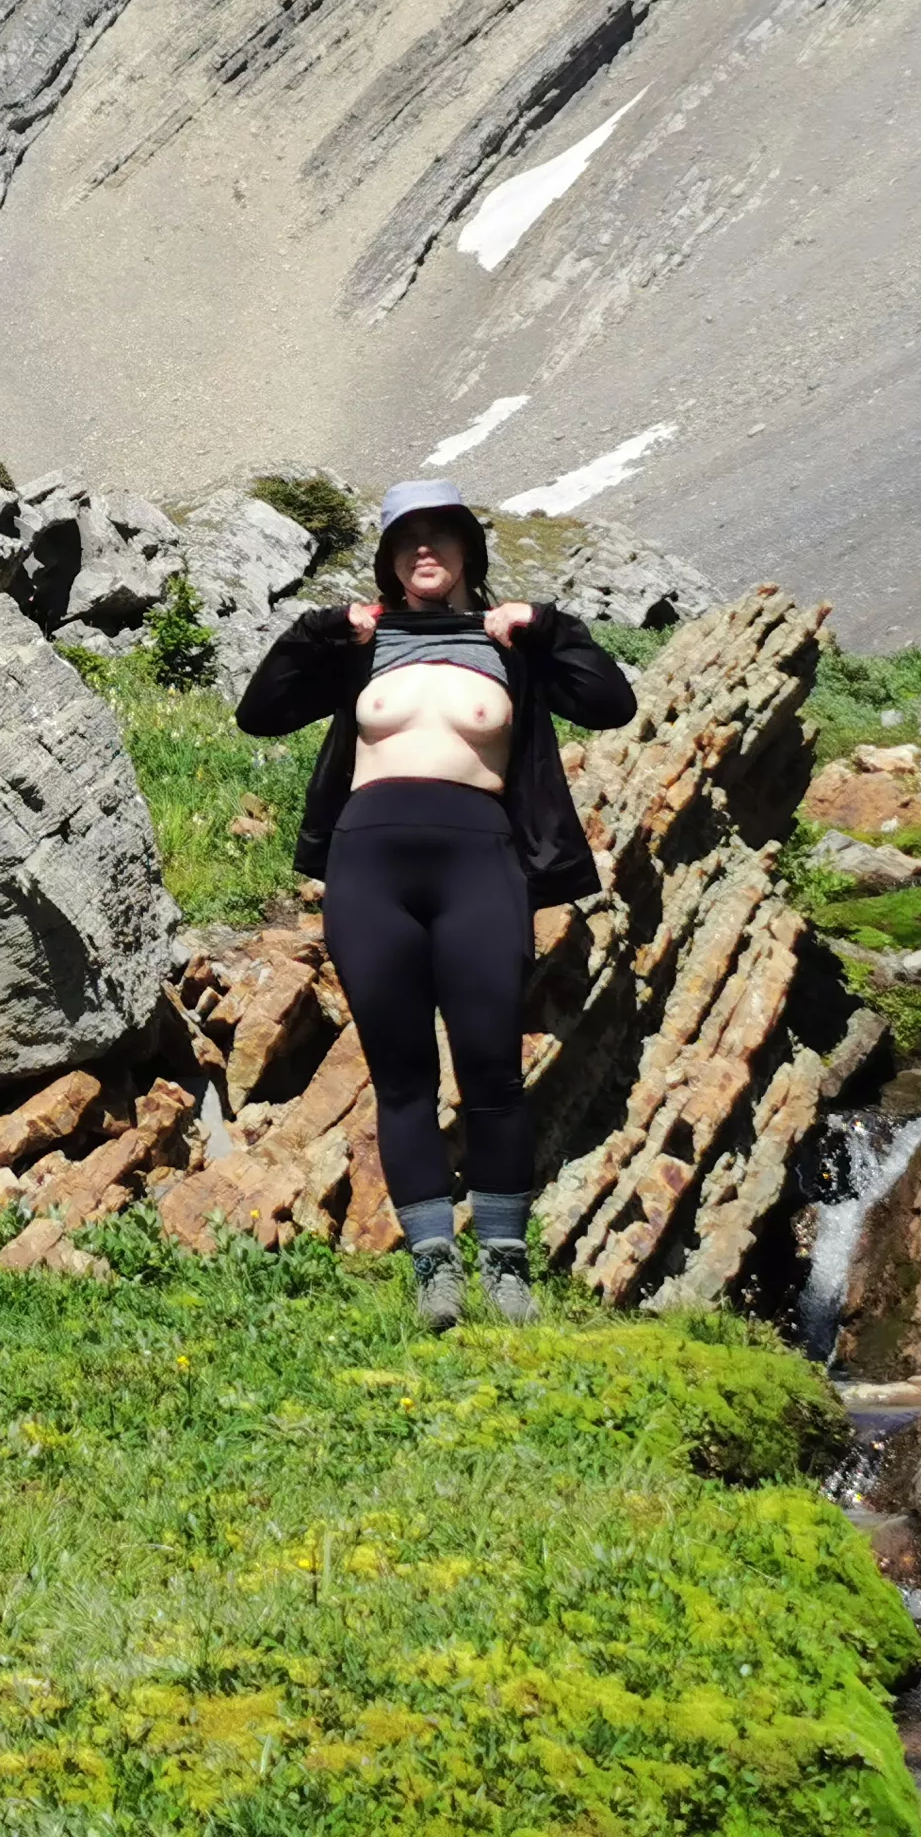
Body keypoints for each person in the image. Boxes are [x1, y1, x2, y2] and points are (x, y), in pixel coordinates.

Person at [236, 478, 637, 1331]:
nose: (425, 550)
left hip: (480, 865)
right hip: (368, 868)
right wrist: (315, 632)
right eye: (407, 537)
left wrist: (552, 627)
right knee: (403, 1075)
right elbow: (259, 715)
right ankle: (433, 1270)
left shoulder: (509, 645)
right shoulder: (362, 644)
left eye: (441, 536)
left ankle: (504, 1264)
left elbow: (610, 703)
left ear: (467, 552)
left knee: (492, 1067)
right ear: (387, 556)